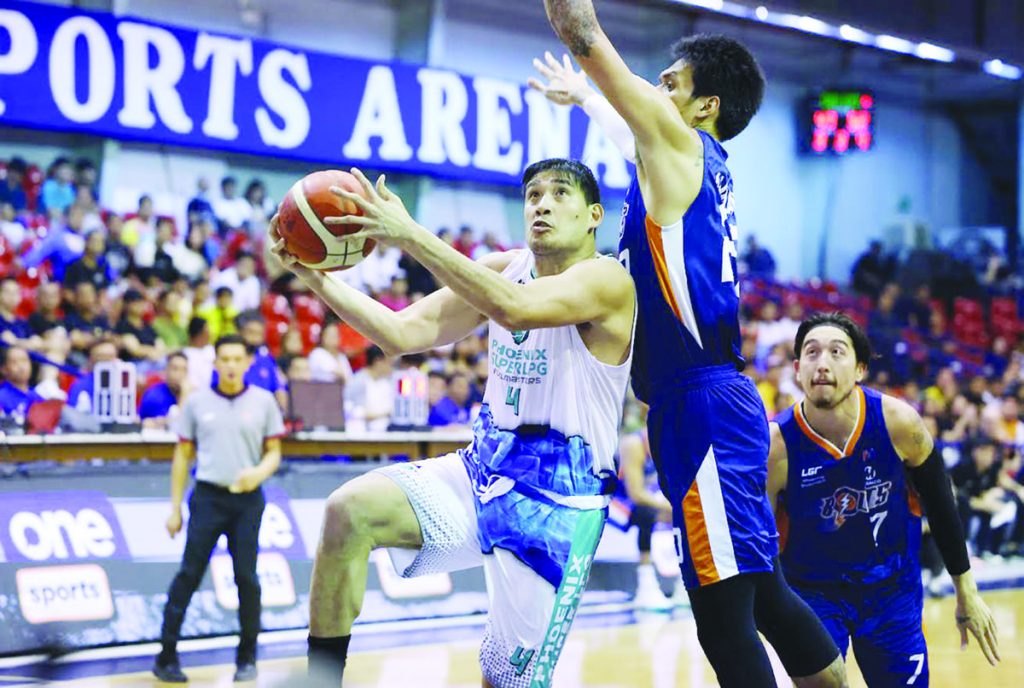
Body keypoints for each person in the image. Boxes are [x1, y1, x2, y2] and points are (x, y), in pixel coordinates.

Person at [534, 8, 844, 685]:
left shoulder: (681, 149)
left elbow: (595, 51)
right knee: (761, 595)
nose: (654, 89)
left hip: (701, 403)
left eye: (668, 83)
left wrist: (577, 27)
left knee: (722, 619)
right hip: (700, 402)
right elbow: (626, 129)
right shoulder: (684, 164)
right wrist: (586, 98)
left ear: (705, 106)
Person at [271, 158, 635, 687]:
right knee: (348, 512)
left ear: (593, 216)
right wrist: (314, 278)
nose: (542, 204)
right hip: (481, 473)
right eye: (533, 195)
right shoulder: (502, 269)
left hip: (557, 508)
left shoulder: (608, 280)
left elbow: (515, 309)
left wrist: (410, 234)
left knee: (503, 682)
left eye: (559, 194)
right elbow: (400, 333)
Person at [769, 312, 999, 684]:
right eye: (811, 353)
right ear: (797, 369)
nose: (822, 363)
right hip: (814, 593)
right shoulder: (776, 446)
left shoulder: (899, 422)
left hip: (891, 590)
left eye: (836, 352)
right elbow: (760, 543)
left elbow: (940, 502)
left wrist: (966, 591)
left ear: (860, 369)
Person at [152, 335, 285, 683]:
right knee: (189, 575)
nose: (229, 365)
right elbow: (182, 455)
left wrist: (258, 472)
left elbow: (274, 452)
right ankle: (166, 656)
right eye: (223, 359)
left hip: (247, 501)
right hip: (207, 497)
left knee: (247, 579)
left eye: (236, 359)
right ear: (215, 363)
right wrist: (175, 507)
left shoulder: (263, 401)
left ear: (247, 363)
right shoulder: (197, 403)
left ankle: (247, 658)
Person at [616, 426, 682, 611]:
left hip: (640, 498)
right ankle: (646, 585)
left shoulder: (668, 444)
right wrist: (667, 507)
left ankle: (683, 583)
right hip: (614, 500)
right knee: (647, 513)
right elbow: (635, 493)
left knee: (684, 512)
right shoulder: (634, 444)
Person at [139, 351, 191, 429]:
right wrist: (184, 395)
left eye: (184, 370)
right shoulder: (154, 395)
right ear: (166, 370)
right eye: (175, 369)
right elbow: (177, 424)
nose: (180, 374)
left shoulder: (194, 395)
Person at [0, 346, 41, 419]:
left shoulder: (38, 397)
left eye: (24, 360)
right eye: (14, 362)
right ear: (4, 369)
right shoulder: (1, 397)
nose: (21, 367)